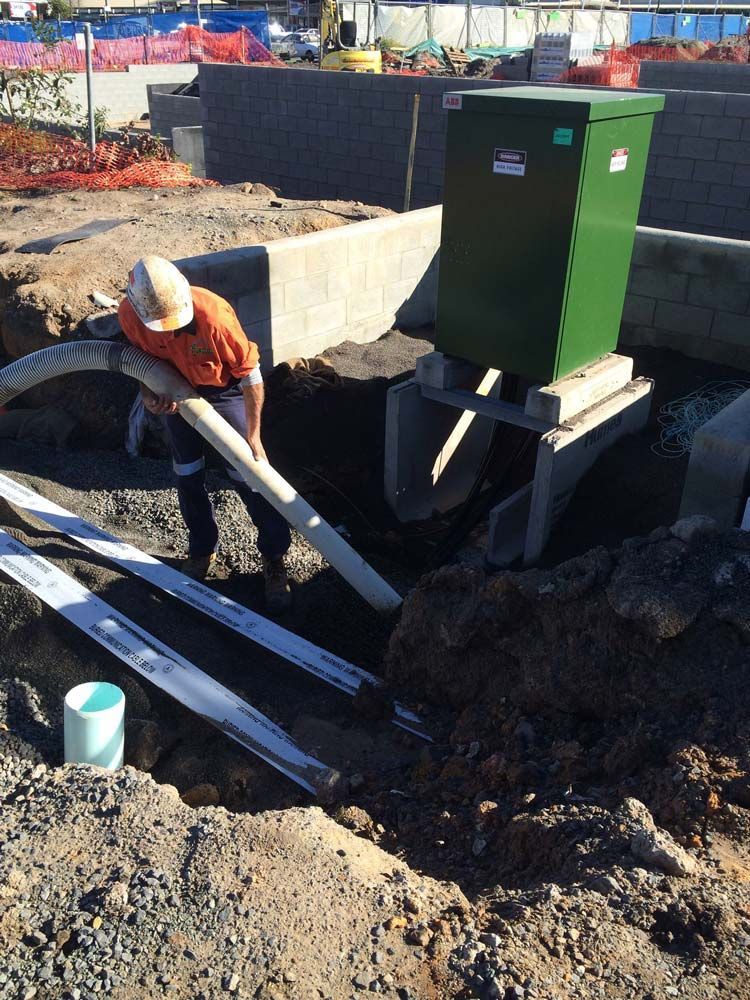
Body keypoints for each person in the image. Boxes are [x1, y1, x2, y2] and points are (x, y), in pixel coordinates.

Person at [118, 255, 292, 612]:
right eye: (159, 326)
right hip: (174, 392)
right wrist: (149, 392)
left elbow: (250, 375)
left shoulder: (214, 316)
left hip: (222, 391)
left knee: (250, 476)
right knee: (187, 475)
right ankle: (202, 549)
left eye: (172, 324)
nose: (167, 332)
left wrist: (254, 436)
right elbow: (138, 361)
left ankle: (274, 559)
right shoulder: (130, 314)